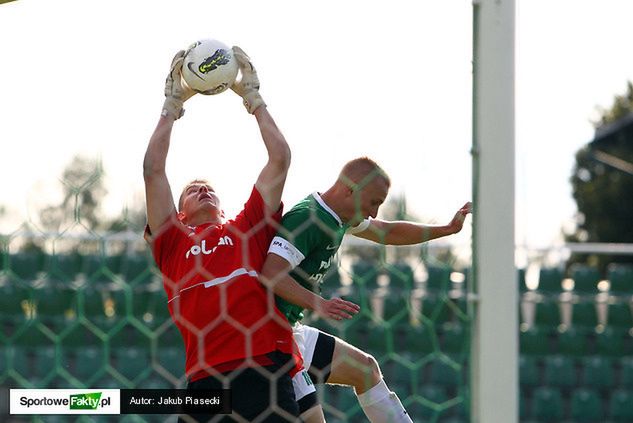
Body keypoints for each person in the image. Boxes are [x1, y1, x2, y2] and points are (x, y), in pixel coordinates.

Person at [143, 46, 311, 422]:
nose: (203, 189)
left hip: (262, 370)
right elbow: (153, 170)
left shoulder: (246, 227)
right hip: (204, 382)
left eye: (209, 187)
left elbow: (280, 158)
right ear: (180, 213)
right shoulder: (172, 241)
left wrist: (254, 99)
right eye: (192, 188)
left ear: (222, 206)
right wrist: (171, 108)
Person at [260, 157, 472, 422]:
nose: (374, 213)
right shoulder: (309, 219)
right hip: (270, 339)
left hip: (291, 331)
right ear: (350, 189)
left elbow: (387, 232)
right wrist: (320, 304)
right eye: (373, 203)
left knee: (365, 369)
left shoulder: (339, 217)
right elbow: (270, 273)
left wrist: (447, 230)